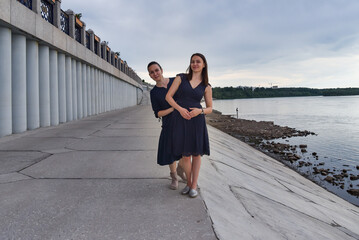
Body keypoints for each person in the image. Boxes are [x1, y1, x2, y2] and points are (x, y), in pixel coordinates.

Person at [165, 53, 212, 198]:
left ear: (204, 65)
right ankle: (190, 183)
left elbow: (210, 108)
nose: (195, 64)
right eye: (193, 61)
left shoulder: (206, 86)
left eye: (198, 62)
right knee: (185, 156)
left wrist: (200, 111)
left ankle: (193, 185)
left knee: (197, 154)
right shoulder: (181, 78)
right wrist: (179, 109)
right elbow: (168, 97)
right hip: (181, 119)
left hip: (197, 121)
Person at [148, 61, 186, 190]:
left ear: (162, 70)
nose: (155, 73)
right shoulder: (154, 93)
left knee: (186, 148)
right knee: (170, 151)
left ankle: (181, 168)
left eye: (156, 70)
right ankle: (174, 176)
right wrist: (173, 108)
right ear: (149, 75)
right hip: (169, 123)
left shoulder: (174, 81)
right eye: (152, 72)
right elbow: (157, 113)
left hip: (183, 120)